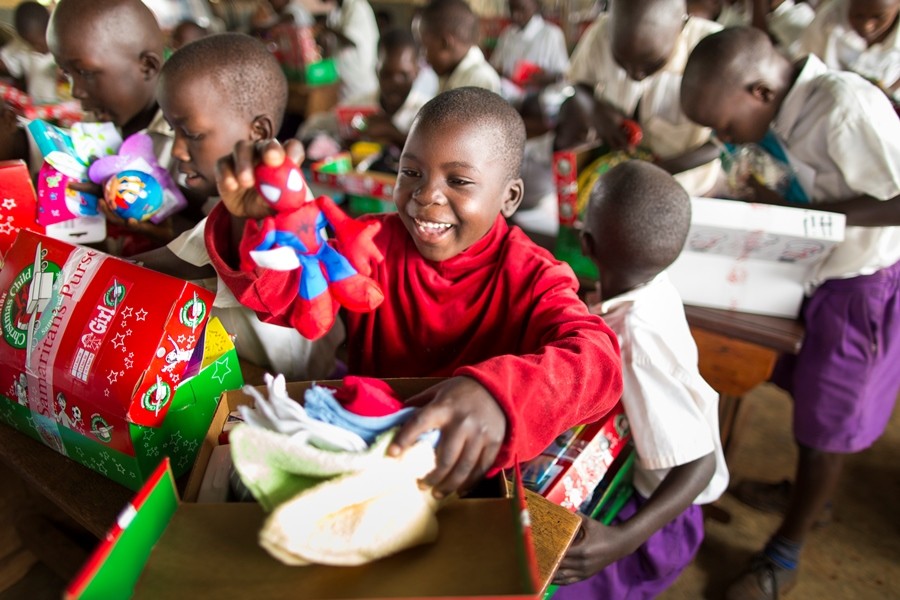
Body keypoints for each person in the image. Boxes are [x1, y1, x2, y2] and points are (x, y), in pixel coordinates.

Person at [205, 87, 624, 498]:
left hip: (466, 473)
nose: (425, 196)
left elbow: (599, 361)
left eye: (458, 180)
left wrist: (500, 397)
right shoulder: (369, 243)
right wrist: (252, 224)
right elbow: (290, 298)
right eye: (411, 173)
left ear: (509, 197)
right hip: (368, 453)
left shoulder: (533, 275)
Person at [681, 27, 900, 599]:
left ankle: (785, 552)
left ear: (759, 92)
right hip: (818, 270)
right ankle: (808, 494)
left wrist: (814, 220)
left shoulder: (842, 108)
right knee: (808, 396)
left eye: (727, 127)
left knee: (828, 421)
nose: (725, 139)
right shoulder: (783, 109)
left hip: (864, 282)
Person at [553, 160, 728, 600]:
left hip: (655, 518)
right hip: (639, 481)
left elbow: (700, 464)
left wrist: (622, 541)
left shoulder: (637, 340)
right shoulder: (654, 286)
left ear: (586, 243)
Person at [133, 32, 343, 381]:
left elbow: (170, 265)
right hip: (247, 368)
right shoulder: (239, 194)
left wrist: (86, 267)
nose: (178, 150)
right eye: (173, 131)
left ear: (257, 132)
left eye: (192, 135)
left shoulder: (275, 209)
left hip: (289, 383)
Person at [47, 0, 180, 253]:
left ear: (147, 66)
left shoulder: (189, 141)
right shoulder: (92, 126)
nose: (75, 91)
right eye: (67, 73)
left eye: (86, 73)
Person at [562, 0, 722, 196]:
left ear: (681, 26)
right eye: (621, 62)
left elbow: (724, 142)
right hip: (618, 174)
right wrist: (595, 110)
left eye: (651, 64)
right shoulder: (600, 32)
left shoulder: (713, 47)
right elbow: (577, 84)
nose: (635, 75)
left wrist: (656, 170)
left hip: (690, 185)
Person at [298, 28, 437, 150]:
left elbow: (434, 152)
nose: (395, 83)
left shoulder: (428, 113)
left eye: (403, 75)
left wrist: (394, 133)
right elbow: (310, 127)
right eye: (387, 74)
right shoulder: (358, 106)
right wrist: (344, 138)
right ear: (376, 71)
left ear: (417, 72)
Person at [800, 0, 900, 102]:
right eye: (858, 16)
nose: (867, 26)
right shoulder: (828, 19)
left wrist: (887, 95)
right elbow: (805, 66)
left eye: (878, 17)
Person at [417, 0, 502, 94]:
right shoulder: (448, 74)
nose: (424, 56)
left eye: (424, 46)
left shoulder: (480, 80)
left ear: (445, 43)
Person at [489, 0, 569, 97]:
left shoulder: (551, 34)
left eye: (522, 9)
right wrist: (503, 74)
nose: (515, 15)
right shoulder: (508, 34)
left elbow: (563, 76)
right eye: (512, 9)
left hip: (539, 97)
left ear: (536, 6)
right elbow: (494, 66)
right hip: (509, 93)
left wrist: (545, 78)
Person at [0, 1, 59, 105]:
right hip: (36, 107)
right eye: (33, 45)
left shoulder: (64, 43)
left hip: (67, 108)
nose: (38, 48)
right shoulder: (22, 45)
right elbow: (6, 61)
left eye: (41, 43)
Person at [322, 0, 380, 101]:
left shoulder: (357, 7)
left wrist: (328, 29)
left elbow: (350, 40)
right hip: (345, 80)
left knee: (359, 107)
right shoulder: (337, 10)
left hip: (359, 81)